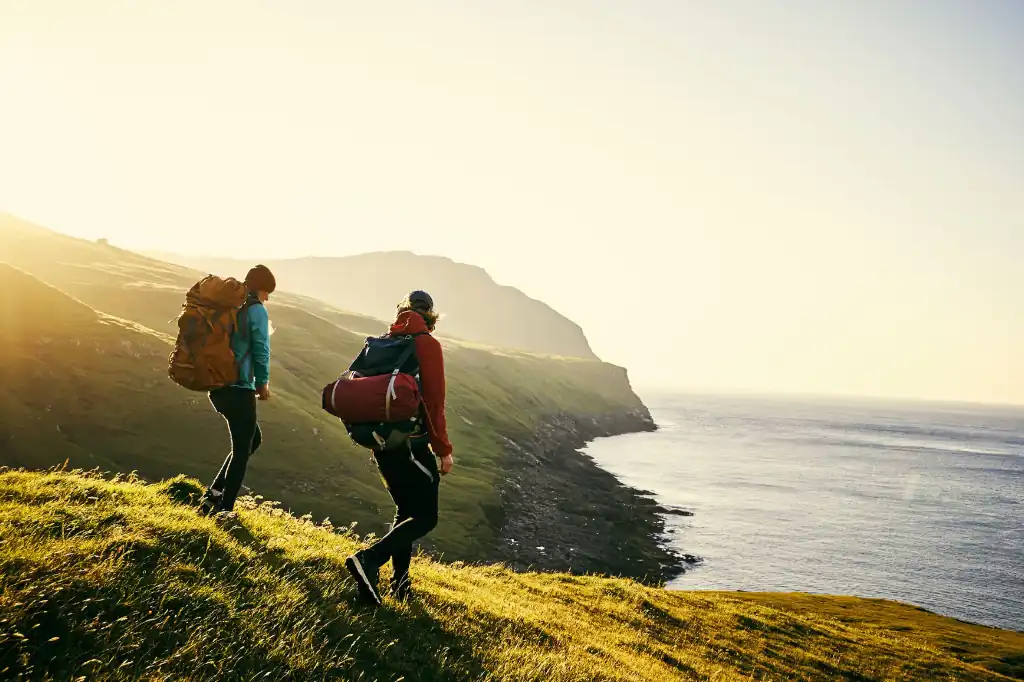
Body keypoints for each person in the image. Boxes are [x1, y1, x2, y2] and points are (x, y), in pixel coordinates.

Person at [345, 290, 454, 605]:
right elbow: (434, 403)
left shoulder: (382, 341)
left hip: (381, 442)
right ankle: (369, 560)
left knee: (405, 510)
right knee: (426, 517)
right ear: (430, 316)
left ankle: (400, 584)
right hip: (412, 444)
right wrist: (443, 450)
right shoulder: (426, 345)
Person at [199, 264, 276, 516]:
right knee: (243, 449)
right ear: (260, 289)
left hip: (217, 385)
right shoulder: (256, 311)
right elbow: (261, 350)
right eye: (267, 293)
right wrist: (262, 383)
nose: (267, 298)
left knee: (253, 440)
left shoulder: (231, 308)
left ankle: (215, 493)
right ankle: (224, 509)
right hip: (239, 388)